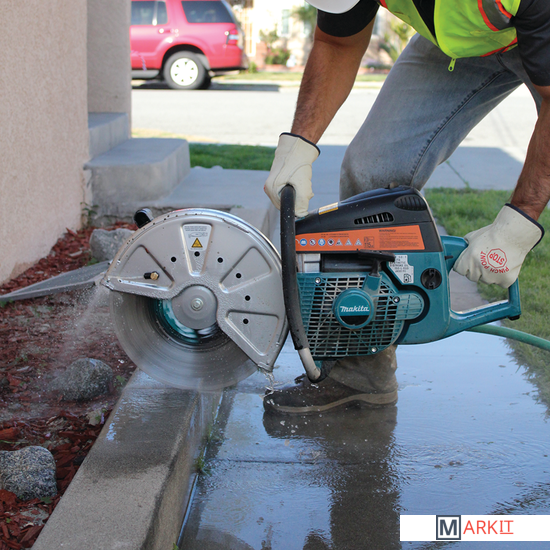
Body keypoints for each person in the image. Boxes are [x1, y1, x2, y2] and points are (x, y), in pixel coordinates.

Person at [263, 0, 548, 415]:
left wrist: (518, 225)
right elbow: (337, 43)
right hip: (468, 45)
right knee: (371, 172)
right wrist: (299, 145)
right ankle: (360, 376)